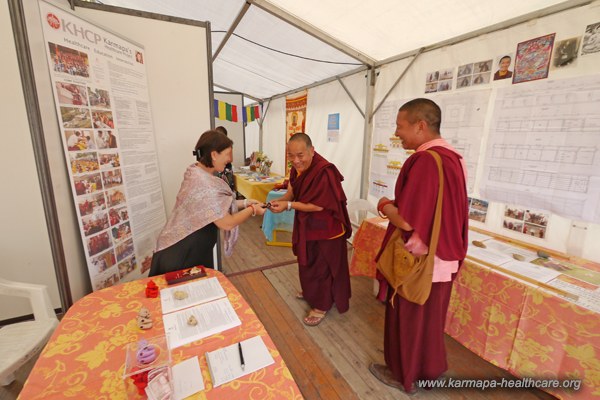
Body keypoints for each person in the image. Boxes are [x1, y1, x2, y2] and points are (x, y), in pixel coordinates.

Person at [369, 99, 468, 394]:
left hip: (419, 261)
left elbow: (408, 221)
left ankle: (404, 375)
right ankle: (427, 371)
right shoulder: (452, 158)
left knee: (408, 320)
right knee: (430, 322)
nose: (397, 133)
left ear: (420, 126)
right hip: (443, 257)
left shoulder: (425, 160)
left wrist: (385, 204)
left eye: (400, 126)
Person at [149, 130, 265, 276]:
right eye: (227, 154)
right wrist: (253, 210)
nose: (230, 159)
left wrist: (245, 203)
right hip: (182, 254)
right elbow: (227, 223)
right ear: (214, 155)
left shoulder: (197, 173)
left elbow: (215, 205)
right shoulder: (204, 184)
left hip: (189, 249)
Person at [269, 133, 352, 326]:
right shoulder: (297, 169)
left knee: (322, 266)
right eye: (291, 156)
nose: (296, 161)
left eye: (300, 155)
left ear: (312, 151)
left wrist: (289, 206)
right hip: (308, 225)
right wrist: (277, 202)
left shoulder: (324, 171)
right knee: (308, 262)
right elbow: (292, 192)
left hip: (327, 229)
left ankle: (321, 305)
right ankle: (311, 292)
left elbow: (318, 206)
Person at [214, 126, 236, 193]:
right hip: (217, 170)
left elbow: (230, 159)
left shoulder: (228, 145)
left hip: (226, 170)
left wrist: (222, 160)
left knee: (227, 190)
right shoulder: (213, 145)